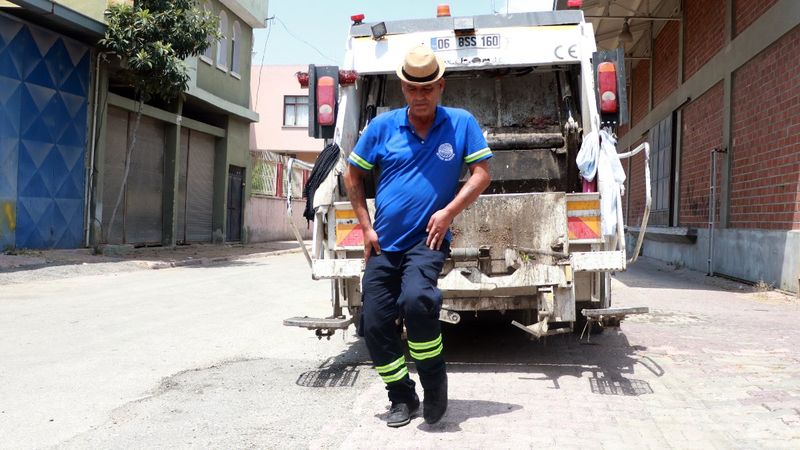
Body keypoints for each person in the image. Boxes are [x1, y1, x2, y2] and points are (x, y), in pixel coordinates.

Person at [344, 44, 493, 428]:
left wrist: (448, 212)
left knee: (417, 301)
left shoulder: (460, 123)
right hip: (382, 243)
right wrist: (365, 226)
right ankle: (402, 396)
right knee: (374, 322)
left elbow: (482, 173)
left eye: (427, 88)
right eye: (412, 88)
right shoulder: (382, 127)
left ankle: (434, 384)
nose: (420, 95)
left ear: (440, 86)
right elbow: (352, 175)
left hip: (426, 242)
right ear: (403, 88)